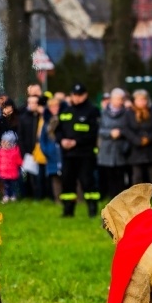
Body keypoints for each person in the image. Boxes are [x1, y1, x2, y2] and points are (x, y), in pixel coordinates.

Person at [54, 83, 101, 217]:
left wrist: (76, 142)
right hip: (68, 155)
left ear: (85, 95)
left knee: (87, 182)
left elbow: (94, 133)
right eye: (74, 95)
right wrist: (62, 140)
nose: (77, 98)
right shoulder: (66, 111)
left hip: (85, 154)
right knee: (67, 183)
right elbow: (58, 131)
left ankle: (92, 210)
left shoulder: (93, 111)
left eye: (80, 95)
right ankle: (68, 211)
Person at [122, 89, 152, 198]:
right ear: (134, 101)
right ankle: (137, 198)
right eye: (140, 100)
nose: (142, 102)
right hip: (136, 150)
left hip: (151, 149)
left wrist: (149, 139)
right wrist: (138, 140)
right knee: (137, 176)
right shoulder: (129, 114)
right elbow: (126, 130)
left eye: (144, 99)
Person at [98, 88, 130, 200]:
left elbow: (130, 129)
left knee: (120, 177)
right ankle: (109, 199)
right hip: (106, 150)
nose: (120, 101)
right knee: (107, 176)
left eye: (122, 99)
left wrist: (121, 133)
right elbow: (99, 130)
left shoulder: (127, 114)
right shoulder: (102, 113)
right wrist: (110, 133)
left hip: (121, 150)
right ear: (111, 99)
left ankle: (121, 201)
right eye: (118, 99)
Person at [0, 131, 23, 203]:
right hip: (3, 174)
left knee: (13, 186)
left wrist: (22, 166)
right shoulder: (0, 152)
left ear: (10, 143)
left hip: (13, 174)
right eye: (2, 142)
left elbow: (18, 161)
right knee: (6, 186)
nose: (2, 143)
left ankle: (13, 195)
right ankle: (6, 195)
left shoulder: (15, 151)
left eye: (4, 142)